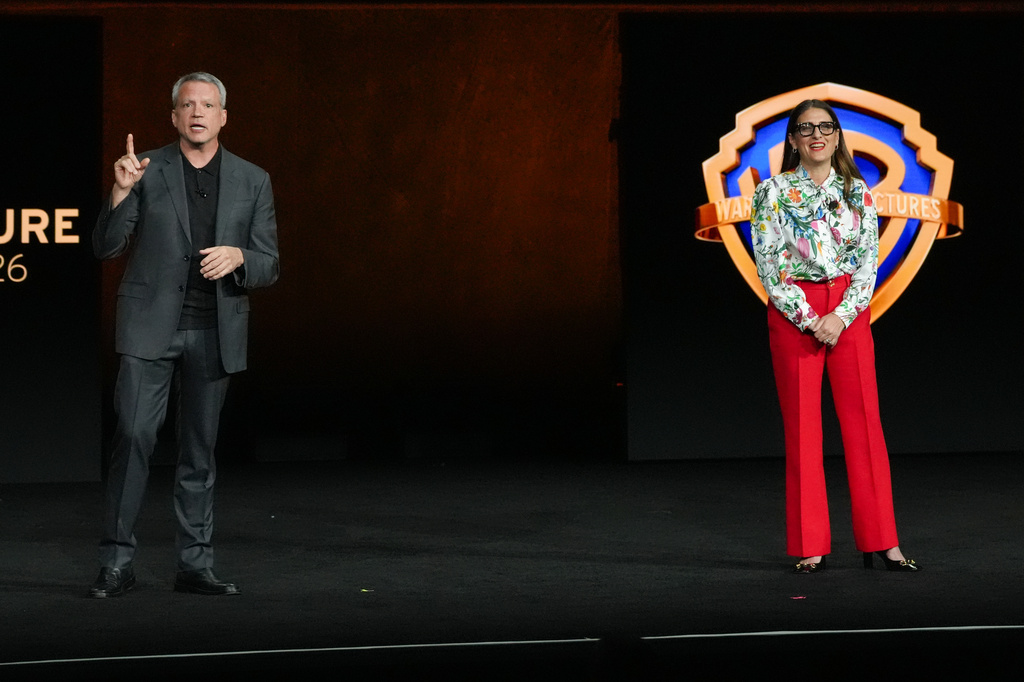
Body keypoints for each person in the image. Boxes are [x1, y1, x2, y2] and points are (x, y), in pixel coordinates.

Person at [88, 72, 280, 597]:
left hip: (214, 332)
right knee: (132, 440)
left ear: (223, 117)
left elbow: (270, 264)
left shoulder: (252, 178)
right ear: (174, 117)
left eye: (208, 104)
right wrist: (121, 190)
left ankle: (195, 565)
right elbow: (106, 247)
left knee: (200, 451)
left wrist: (241, 256)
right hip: (149, 329)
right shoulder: (145, 170)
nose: (197, 112)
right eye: (187, 105)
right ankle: (115, 564)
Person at [749, 99, 918, 574]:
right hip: (794, 312)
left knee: (865, 425)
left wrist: (840, 317)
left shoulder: (858, 192)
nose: (817, 135)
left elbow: (869, 263)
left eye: (826, 127)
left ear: (838, 136)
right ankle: (811, 545)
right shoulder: (773, 192)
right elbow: (770, 266)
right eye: (806, 128)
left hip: (848, 311)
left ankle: (883, 542)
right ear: (793, 139)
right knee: (803, 430)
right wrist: (810, 318)